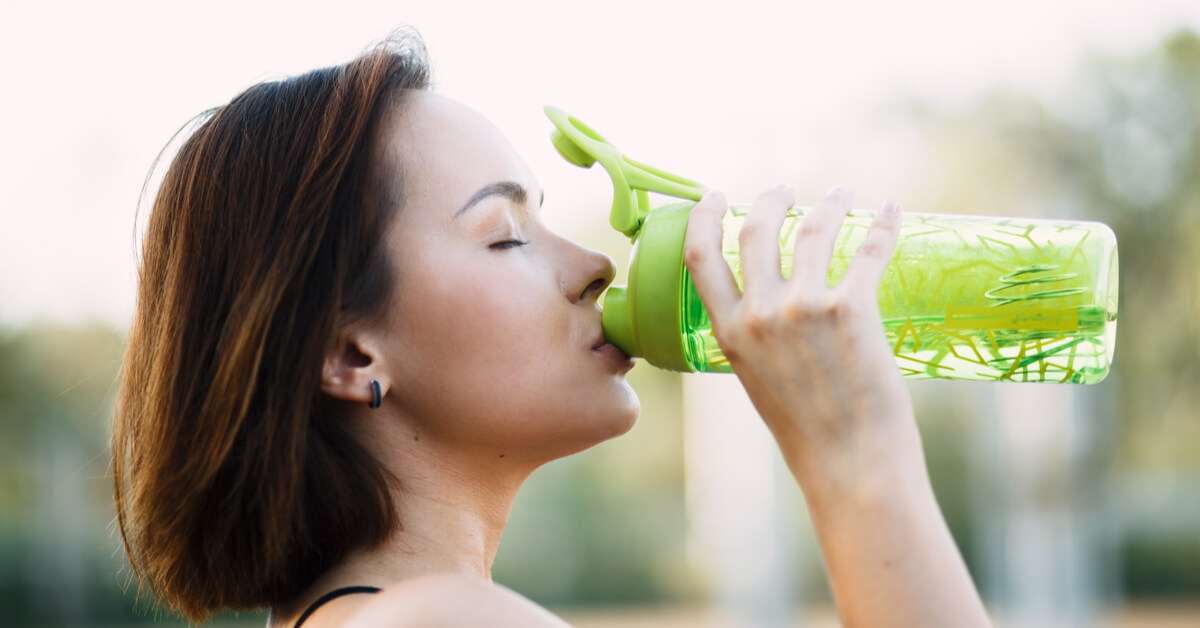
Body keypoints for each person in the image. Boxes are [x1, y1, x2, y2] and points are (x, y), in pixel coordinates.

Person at [111, 31, 992, 628]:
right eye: (505, 236)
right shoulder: (437, 621)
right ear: (348, 352)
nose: (595, 267)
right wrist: (858, 453)